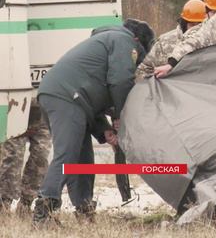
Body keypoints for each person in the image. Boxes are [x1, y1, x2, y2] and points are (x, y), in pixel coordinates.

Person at [32, 19, 154, 224]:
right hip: (66, 97)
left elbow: (91, 93)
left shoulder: (107, 40)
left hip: (70, 97)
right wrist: (120, 116)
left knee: (82, 159)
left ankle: (84, 209)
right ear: (138, 41)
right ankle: (43, 212)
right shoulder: (124, 40)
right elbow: (120, 81)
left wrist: (104, 129)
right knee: (67, 154)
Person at [136, 0, 207, 80]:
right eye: (192, 25)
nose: (195, 30)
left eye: (199, 25)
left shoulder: (211, 44)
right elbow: (143, 70)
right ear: (184, 24)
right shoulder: (165, 42)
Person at [0, 102, 50, 215]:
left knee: (40, 158)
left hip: (41, 109)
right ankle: (4, 204)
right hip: (14, 107)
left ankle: (26, 203)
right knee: (12, 159)